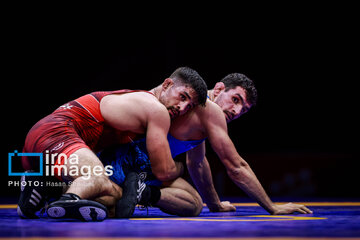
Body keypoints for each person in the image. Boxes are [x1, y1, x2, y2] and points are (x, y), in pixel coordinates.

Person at [100, 73, 312, 218]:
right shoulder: (209, 109)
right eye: (236, 100)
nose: (237, 112)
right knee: (189, 203)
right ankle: (118, 191)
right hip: (119, 160)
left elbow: (198, 162)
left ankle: (139, 192)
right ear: (219, 88)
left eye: (244, 110)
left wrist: (214, 204)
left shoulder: (198, 108)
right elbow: (236, 167)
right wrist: (272, 207)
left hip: (135, 166)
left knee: (193, 204)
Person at [17, 67, 208, 221]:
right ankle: (67, 200)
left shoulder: (137, 102)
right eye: (182, 97)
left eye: (189, 106)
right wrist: (182, 166)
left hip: (49, 149)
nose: (182, 108)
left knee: (112, 197)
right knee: (96, 176)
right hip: (57, 132)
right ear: (167, 84)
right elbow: (164, 171)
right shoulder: (155, 109)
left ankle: (44, 187)